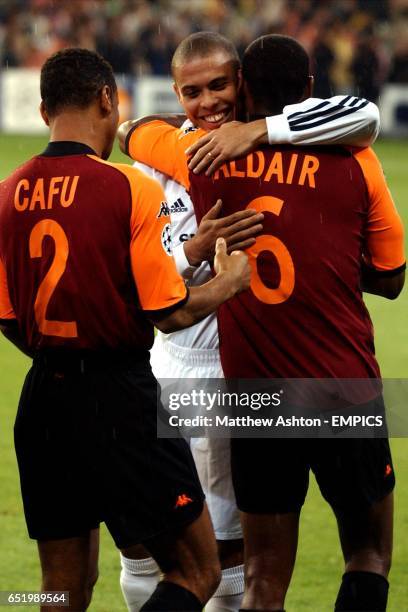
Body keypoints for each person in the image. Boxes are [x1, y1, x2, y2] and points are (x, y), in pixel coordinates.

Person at [118, 30, 382, 612]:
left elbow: (127, 130)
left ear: (244, 84)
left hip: (227, 369)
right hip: (170, 366)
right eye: (192, 91)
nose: (208, 101)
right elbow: (137, 276)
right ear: (175, 93)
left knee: (219, 554)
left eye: (219, 86)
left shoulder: (196, 155)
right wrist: (191, 252)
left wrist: (249, 131)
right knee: (152, 549)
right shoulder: (159, 161)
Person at [0, 48, 251, 612]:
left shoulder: (5, 195)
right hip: (118, 395)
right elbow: (172, 312)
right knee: (196, 571)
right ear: (108, 100)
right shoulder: (127, 188)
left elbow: (9, 318)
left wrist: (62, 352)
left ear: (43, 112)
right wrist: (230, 282)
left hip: (42, 399)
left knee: (62, 587)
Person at [189, 35, 405, 611]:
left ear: (241, 91)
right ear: (310, 89)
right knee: (368, 556)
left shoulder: (207, 163)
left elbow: (144, 134)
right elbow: (391, 279)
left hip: (256, 396)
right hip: (344, 385)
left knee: (262, 578)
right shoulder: (356, 162)